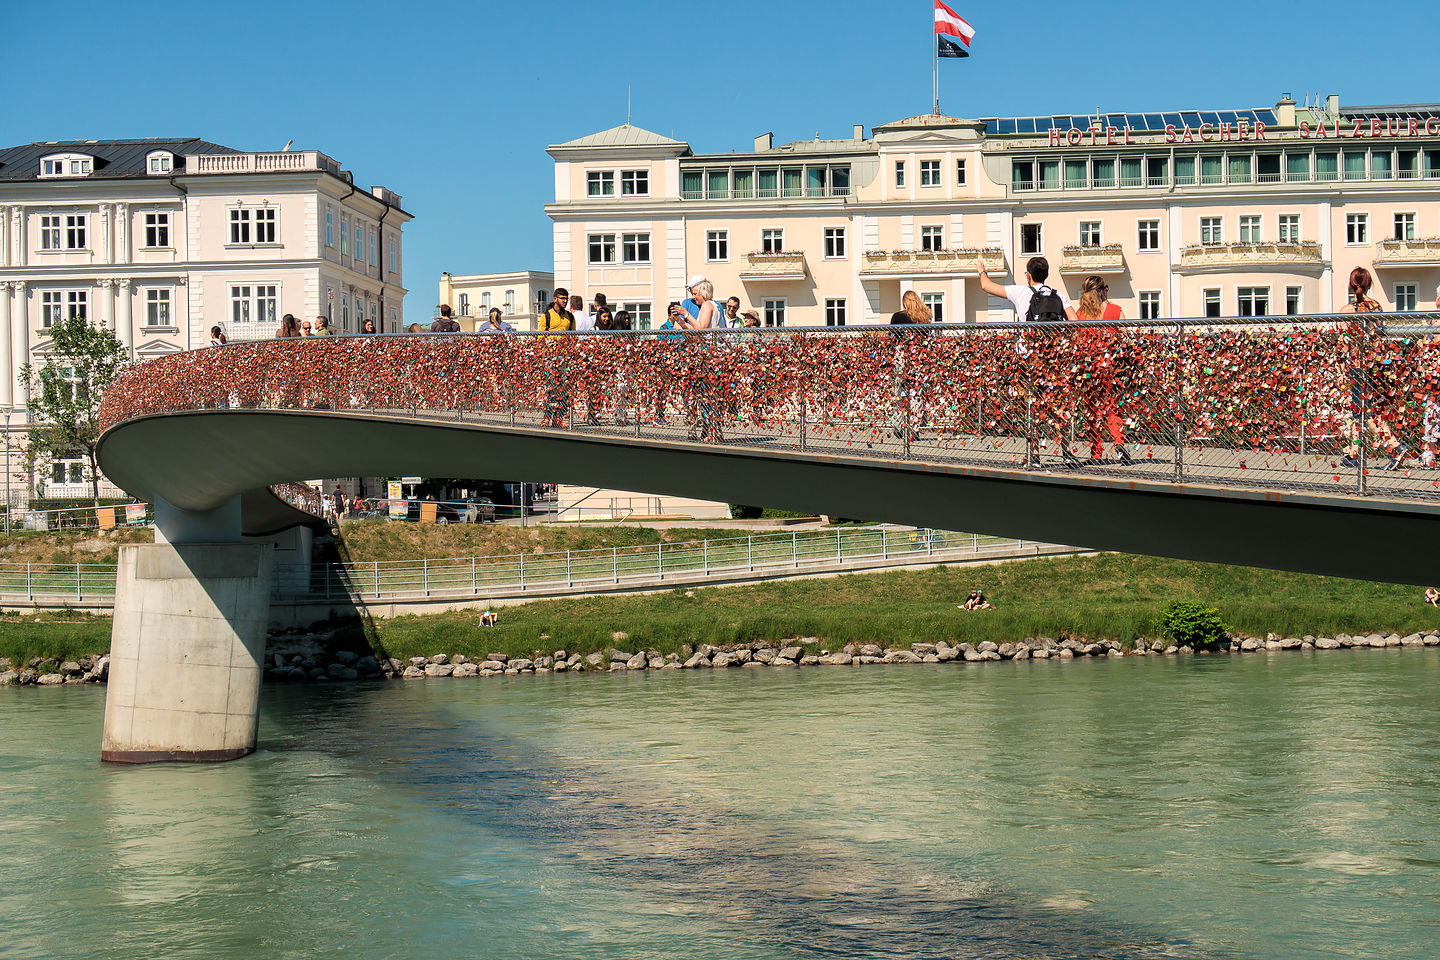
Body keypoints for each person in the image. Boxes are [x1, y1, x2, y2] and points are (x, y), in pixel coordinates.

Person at [977, 255, 1080, 467]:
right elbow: (1075, 322)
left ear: (1028, 275)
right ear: (1047, 275)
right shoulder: (1058, 294)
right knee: (1057, 404)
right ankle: (1067, 452)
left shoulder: (1021, 291)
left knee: (1030, 406)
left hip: (1027, 359)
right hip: (1052, 359)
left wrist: (981, 270)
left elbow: (987, 286)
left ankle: (1034, 456)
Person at [1339, 267, 1405, 469]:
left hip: (1357, 366)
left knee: (1364, 412)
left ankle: (1395, 446)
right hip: (1373, 364)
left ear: (1351, 285)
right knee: (1361, 410)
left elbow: (1344, 342)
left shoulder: (1347, 310)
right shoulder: (1377, 306)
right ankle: (1354, 454)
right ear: (1368, 284)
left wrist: (1342, 370)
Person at [1075, 276, 1131, 463]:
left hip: (1089, 369)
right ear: (1104, 290)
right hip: (1112, 369)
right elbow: (1126, 339)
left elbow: (1076, 340)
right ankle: (1119, 444)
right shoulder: (1115, 311)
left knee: (1092, 410)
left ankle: (1096, 453)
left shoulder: (1081, 313)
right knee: (1113, 409)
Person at [540, 289, 575, 426]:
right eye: (562, 298)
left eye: (566, 299)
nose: (565, 301)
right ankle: (547, 417)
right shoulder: (546, 315)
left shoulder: (569, 316)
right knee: (551, 388)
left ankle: (558, 418)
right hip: (551, 356)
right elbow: (540, 336)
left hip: (564, 357)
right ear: (555, 299)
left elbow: (573, 335)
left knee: (564, 388)